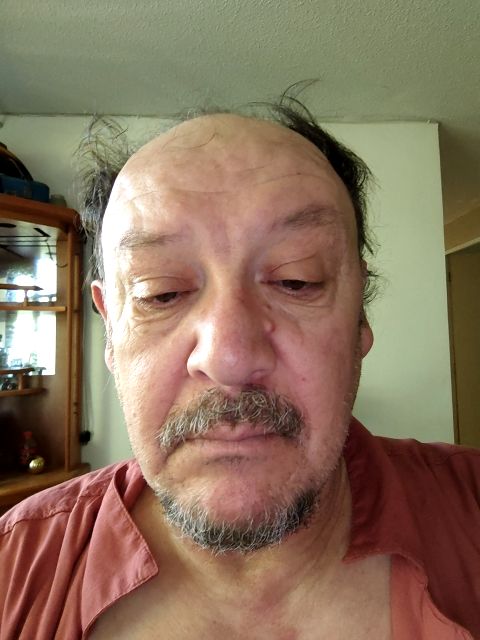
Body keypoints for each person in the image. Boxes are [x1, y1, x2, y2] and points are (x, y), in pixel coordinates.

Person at [1, 96, 479, 640]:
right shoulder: (13, 572)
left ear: (359, 320)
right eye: (162, 292)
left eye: (297, 280)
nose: (229, 357)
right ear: (110, 329)